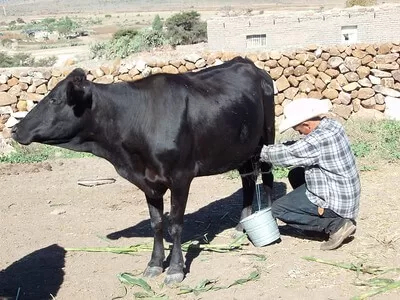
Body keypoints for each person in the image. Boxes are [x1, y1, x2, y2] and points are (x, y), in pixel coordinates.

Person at [260, 98, 361, 250]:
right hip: (345, 194)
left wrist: (256, 151)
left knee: (278, 209)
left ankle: (336, 224)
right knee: (296, 174)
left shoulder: (317, 140)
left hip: (336, 203)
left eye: (298, 130)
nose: (299, 133)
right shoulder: (332, 125)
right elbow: (298, 146)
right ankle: (323, 217)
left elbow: (286, 155)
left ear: (306, 124)